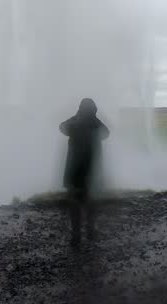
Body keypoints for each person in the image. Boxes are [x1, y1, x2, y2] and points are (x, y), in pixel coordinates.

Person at [59, 98, 110, 246]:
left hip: (75, 168)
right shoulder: (95, 122)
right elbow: (106, 133)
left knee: (75, 201)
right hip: (91, 169)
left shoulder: (75, 120)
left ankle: (76, 236)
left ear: (81, 108)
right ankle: (90, 231)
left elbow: (62, 127)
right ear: (94, 109)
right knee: (92, 200)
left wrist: (76, 122)